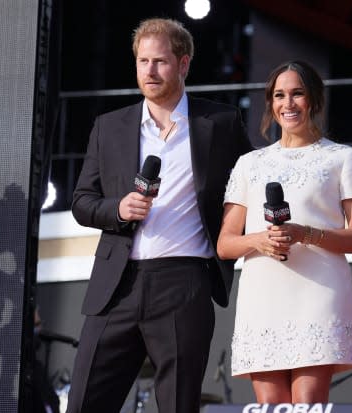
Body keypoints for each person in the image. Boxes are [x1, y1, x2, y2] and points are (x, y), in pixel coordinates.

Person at [68, 17, 252, 413]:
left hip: (184, 282)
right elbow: (82, 200)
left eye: (161, 61)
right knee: (83, 403)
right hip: (117, 284)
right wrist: (117, 209)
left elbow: (250, 190)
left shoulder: (220, 123)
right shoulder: (109, 126)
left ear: (183, 64)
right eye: (142, 61)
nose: (149, 71)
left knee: (177, 406)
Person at [217, 60, 352, 403]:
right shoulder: (249, 164)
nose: (288, 103)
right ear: (271, 104)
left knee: (308, 405)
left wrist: (305, 233)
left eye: (297, 94)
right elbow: (225, 244)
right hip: (263, 295)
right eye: (279, 95)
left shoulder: (345, 159)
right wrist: (259, 239)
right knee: (269, 407)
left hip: (318, 293)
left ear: (314, 100)